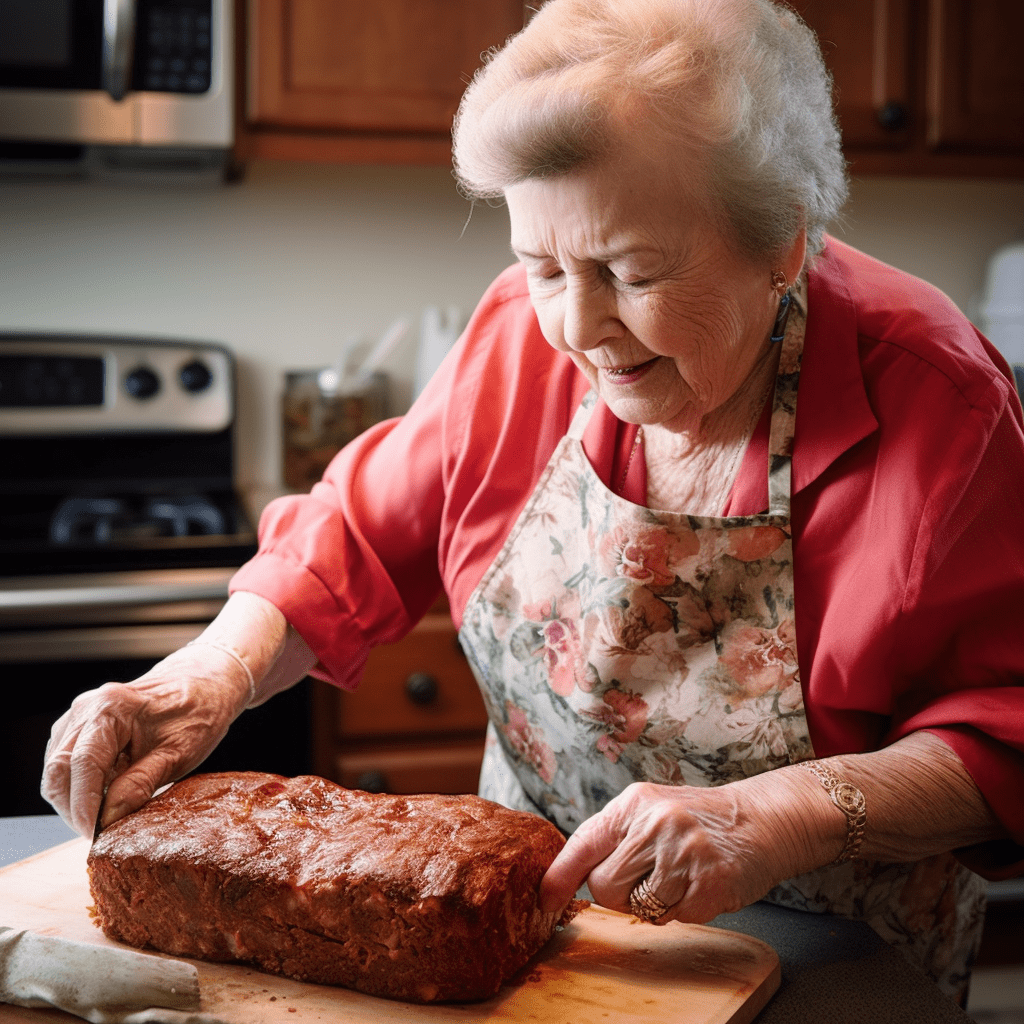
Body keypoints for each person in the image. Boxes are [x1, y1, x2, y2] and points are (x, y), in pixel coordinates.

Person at [43, 0, 1023, 1005]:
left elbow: (1007, 725)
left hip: (833, 955)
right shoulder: (521, 331)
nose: (580, 326)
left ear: (782, 244)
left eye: (632, 272)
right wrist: (206, 673)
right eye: (542, 264)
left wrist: (779, 814)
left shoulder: (938, 400)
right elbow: (356, 532)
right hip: (527, 946)